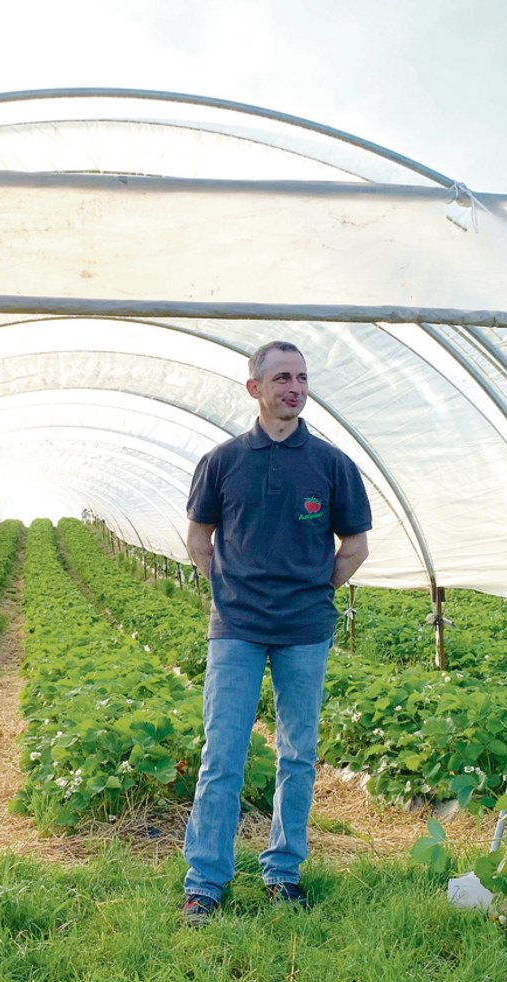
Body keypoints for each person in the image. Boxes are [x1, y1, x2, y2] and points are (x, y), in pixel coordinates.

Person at [181, 339, 371, 925]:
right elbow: (198, 538)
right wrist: (230, 594)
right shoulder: (223, 461)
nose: (294, 387)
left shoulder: (332, 464)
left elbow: (355, 546)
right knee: (223, 754)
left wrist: (316, 590)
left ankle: (282, 872)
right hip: (236, 628)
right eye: (282, 378)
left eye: (302, 378)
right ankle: (205, 881)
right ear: (255, 388)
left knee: (298, 754)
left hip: (305, 629)